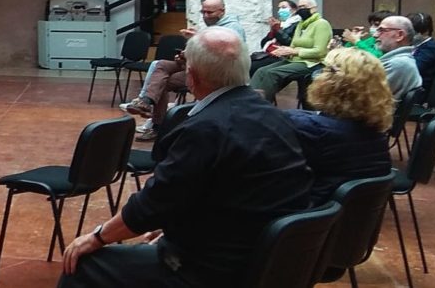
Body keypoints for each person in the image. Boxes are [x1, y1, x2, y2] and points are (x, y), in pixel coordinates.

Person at [59, 27, 312, 287]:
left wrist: (97, 237)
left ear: (191, 76)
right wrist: (177, 225)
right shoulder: (272, 115)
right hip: (275, 258)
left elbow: (153, 204)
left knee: (82, 267)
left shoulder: (206, 128)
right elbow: (237, 190)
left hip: (215, 269)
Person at [120, 0, 244, 141]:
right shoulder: (212, 27)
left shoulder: (232, 28)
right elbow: (204, 51)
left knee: (161, 81)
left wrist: (197, 38)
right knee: (160, 66)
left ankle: (155, 124)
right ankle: (146, 102)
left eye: (209, 12)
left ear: (222, 11)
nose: (205, 16)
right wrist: (186, 54)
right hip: (198, 65)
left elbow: (222, 55)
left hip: (215, 73)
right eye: (203, 12)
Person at [285, 48, 394, 205]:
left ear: (332, 83)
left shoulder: (310, 128)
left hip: (309, 218)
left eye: (323, 71)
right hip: (347, 221)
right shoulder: (376, 132)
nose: (317, 76)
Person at [249, 0, 332, 101]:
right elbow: (293, 45)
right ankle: (248, 100)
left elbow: (320, 51)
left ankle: (261, 104)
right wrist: (283, 50)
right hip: (294, 59)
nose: (301, 9)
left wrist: (295, 51)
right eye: (299, 7)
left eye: (304, 7)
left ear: (314, 8)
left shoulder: (321, 24)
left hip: (312, 62)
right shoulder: (300, 24)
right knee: (261, 71)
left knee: (271, 73)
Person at [374, 15, 423, 100]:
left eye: (381, 30)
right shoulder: (396, 60)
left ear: (399, 35)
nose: (375, 35)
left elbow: (365, 96)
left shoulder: (398, 64)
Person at [250, 0, 300, 76]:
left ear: (293, 10)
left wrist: (277, 30)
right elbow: (263, 43)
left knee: (254, 66)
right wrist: (272, 31)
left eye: (283, 7)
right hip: (269, 53)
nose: (280, 11)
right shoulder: (282, 24)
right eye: (279, 8)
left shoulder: (297, 24)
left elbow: (289, 42)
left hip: (282, 56)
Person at [408, 12, 435, 97]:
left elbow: (413, 69)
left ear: (426, 31)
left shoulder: (431, 48)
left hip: (419, 91)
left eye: (414, 32)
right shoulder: (414, 45)